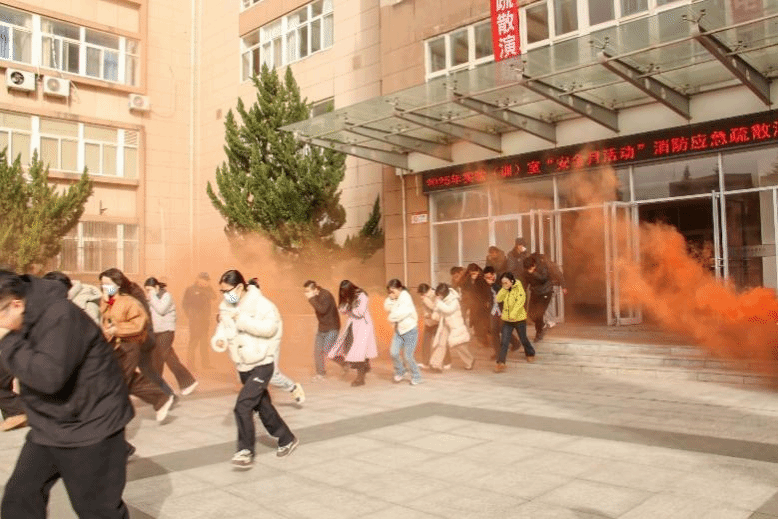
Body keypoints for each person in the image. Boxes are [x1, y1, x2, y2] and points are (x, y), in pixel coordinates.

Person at [0, 271, 134, 518]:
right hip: (49, 426)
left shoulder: (61, 316)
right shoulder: (27, 317)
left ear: (16, 304)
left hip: (91, 426)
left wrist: (6, 342)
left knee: (96, 509)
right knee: (20, 497)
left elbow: (48, 377)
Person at [211, 270, 298, 468]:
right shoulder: (226, 305)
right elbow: (223, 327)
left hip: (262, 363)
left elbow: (270, 329)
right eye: (221, 292)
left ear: (239, 287)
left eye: (227, 291)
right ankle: (286, 438)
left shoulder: (262, 304)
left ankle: (245, 450)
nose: (224, 295)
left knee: (243, 405)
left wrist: (242, 321)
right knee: (263, 406)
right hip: (243, 365)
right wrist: (220, 339)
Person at [99, 268, 175, 422]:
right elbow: (106, 319)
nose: (104, 288)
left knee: (120, 380)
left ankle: (110, 416)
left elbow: (139, 324)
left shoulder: (130, 301)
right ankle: (161, 398)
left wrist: (117, 329)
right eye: (102, 285)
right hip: (115, 346)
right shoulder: (107, 301)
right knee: (128, 378)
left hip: (129, 346)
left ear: (118, 284)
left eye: (108, 284)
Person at [248, 279, 305, 404]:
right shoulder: (244, 302)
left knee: (272, 374)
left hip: (269, 344)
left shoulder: (266, 307)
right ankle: (257, 403)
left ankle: (292, 387)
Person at [144, 277, 198, 396]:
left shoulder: (166, 296)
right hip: (156, 332)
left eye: (150, 289)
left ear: (157, 287)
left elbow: (161, 310)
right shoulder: (152, 299)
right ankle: (157, 386)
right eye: (146, 290)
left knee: (167, 356)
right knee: (156, 358)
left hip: (166, 331)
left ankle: (188, 382)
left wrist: (151, 297)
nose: (148, 292)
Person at [328, 280, 378, 387]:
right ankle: (361, 365)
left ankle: (360, 378)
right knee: (339, 351)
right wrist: (347, 305)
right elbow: (342, 309)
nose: (343, 293)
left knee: (358, 353)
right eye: (341, 291)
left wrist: (349, 307)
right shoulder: (347, 297)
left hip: (363, 327)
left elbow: (360, 312)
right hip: (352, 326)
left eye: (345, 291)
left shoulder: (361, 295)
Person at [494, 271, 536, 372]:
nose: (504, 285)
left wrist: (513, 315)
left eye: (506, 283)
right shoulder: (505, 289)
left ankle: (530, 353)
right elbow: (498, 299)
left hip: (519, 319)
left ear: (512, 281)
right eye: (502, 283)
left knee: (523, 338)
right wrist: (504, 289)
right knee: (504, 341)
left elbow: (519, 303)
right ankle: (501, 363)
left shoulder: (519, 289)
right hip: (507, 320)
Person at [429, 283, 475, 372]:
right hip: (445, 324)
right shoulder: (440, 300)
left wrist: (438, 303)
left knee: (459, 345)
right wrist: (435, 314)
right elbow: (438, 310)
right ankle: (435, 364)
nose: (438, 297)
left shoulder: (454, 299)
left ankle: (470, 360)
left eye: (439, 295)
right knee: (441, 344)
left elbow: (448, 310)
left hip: (455, 326)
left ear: (444, 293)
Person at [384, 279, 421, 385]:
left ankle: (416, 376)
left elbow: (399, 314)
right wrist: (391, 299)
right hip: (399, 331)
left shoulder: (406, 298)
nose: (391, 294)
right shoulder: (394, 298)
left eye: (393, 291)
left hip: (410, 331)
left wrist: (390, 317)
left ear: (399, 289)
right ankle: (400, 371)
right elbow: (386, 307)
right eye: (389, 292)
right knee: (393, 353)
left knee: (407, 356)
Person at [523, 254, 567, 341]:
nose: (528, 270)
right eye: (527, 269)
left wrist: (563, 286)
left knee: (539, 313)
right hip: (535, 292)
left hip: (545, 292)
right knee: (531, 314)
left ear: (534, 264)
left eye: (530, 268)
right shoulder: (527, 270)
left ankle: (539, 333)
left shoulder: (543, 266)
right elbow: (526, 281)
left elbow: (543, 278)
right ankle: (542, 325)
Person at [303, 280, 340, 380]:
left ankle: (345, 363)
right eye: (305, 291)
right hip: (322, 327)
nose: (306, 294)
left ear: (315, 289)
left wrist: (311, 299)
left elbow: (322, 310)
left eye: (308, 291)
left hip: (332, 326)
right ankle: (320, 373)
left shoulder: (325, 295)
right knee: (317, 351)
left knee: (328, 350)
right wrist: (312, 298)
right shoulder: (315, 296)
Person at [183, 272, 216, 369]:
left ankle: (205, 364)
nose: (206, 282)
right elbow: (185, 304)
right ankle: (191, 365)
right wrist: (189, 315)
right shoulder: (190, 289)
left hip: (205, 320)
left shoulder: (208, 289)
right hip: (194, 321)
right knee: (193, 342)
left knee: (204, 343)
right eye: (205, 280)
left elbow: (214, 297)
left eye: (207, 280)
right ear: (198, 279)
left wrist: (205, 291)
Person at [466, 264, 492, 349]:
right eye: (471, 273)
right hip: (474, 305)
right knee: (477, 325)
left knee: (484, 325)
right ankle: (483, 341)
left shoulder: (482, 279)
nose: (473, 275)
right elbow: (467, 289)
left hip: (482, 305)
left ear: (478, 271)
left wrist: (487, 302)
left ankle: (486, 341)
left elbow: (487, 291)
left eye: (474, 273)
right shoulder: (468, 279)